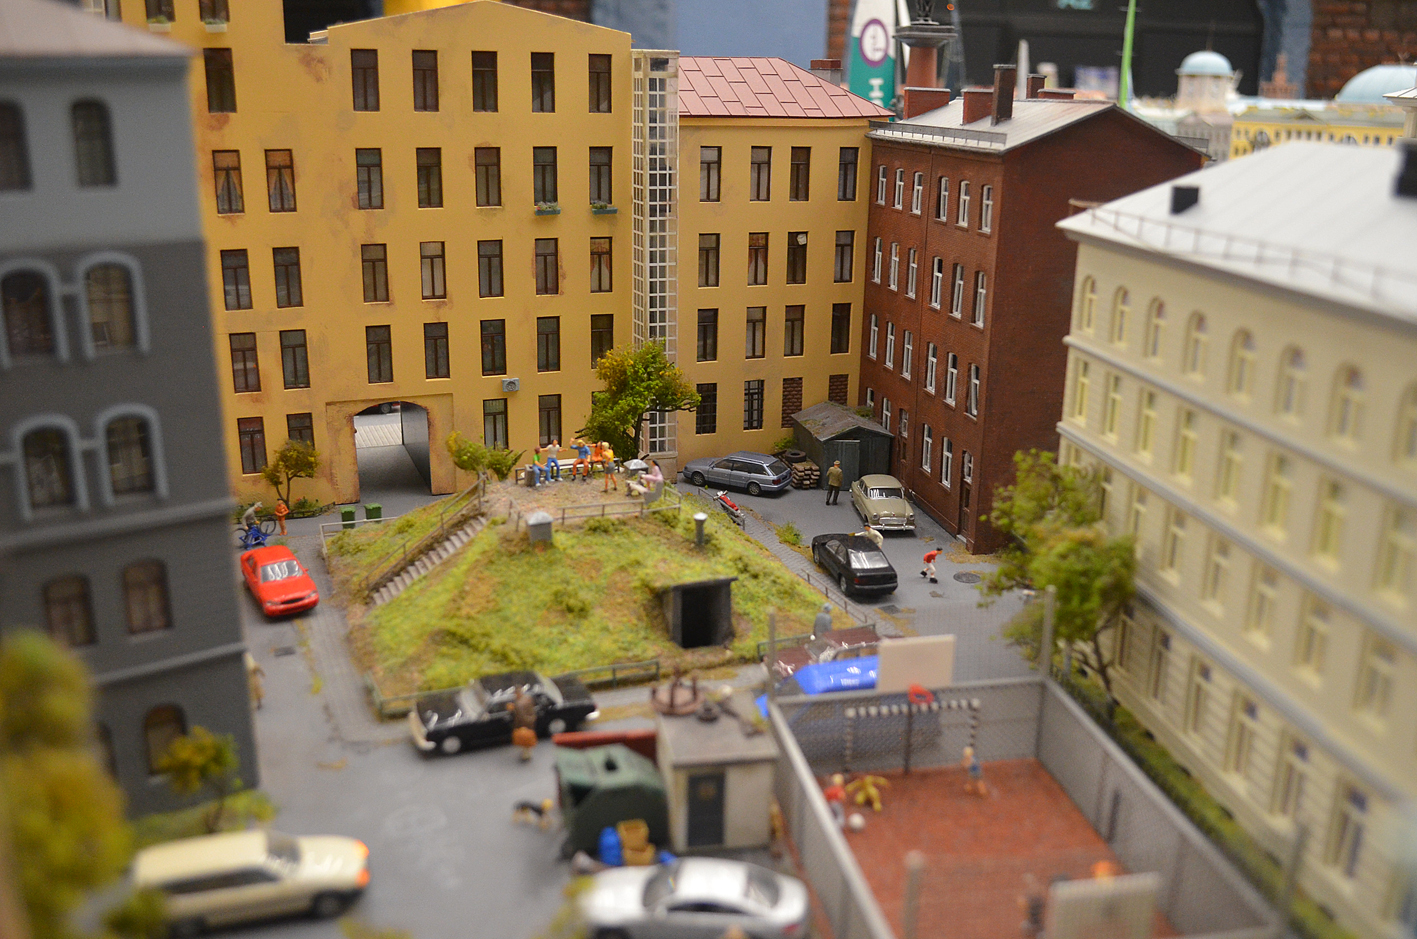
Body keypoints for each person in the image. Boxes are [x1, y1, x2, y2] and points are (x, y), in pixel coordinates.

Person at [512, 689, 538, 762]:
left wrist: (518, 726)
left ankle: (526, 755)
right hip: (530, 721)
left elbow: (520, 716)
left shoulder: (519, 703)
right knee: (528, 738)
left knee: (524, 739)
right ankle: (528, 753)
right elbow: (532, 709)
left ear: (517, 693)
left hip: (524, 724)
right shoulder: (528, 698)